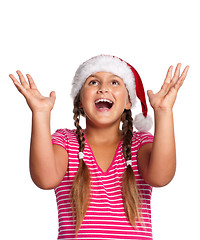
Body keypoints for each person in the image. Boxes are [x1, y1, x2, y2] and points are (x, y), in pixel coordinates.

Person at [9, 55, 189, 240]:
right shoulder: (65, 142)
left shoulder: (140, 144)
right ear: (79, 100)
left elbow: (161, 178)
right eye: (93, 82)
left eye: (115, 82)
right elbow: (44, 180)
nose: (103, 88)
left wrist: (163, 111)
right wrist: (40, 113)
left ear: (128, 102)